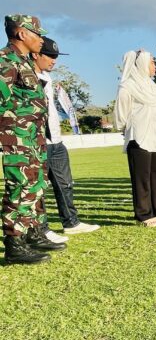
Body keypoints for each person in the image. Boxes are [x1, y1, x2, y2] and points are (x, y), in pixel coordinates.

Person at [1, 15, 65, 264]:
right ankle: (14, 243)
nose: (40, 39)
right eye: (36, 34)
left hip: (33, 137)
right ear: (20, 34)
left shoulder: (25, 63)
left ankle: (33, 233)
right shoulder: (5, 60)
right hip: (17, 137)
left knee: (37, 185)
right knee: (20, 186)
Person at [34, 37, 99, 242]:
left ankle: (71, 222)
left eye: (56, 57)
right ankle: (41, 228)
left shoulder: (48, 77)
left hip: (56, 140)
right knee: (38, 188)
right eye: (50, 56)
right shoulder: (27, 75)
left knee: (65, 183)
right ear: (36, 54)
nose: (54, 60)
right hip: (39, 141)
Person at [114, 50, 156, 227]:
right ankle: (143, 214)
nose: (155, 66)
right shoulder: (128, 85)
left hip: (155, 135)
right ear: (141, 64)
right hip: (138, 136)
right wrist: (124, 128)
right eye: (152, 62)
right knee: (141, 177)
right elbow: (121, 112)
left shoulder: (152, 85)